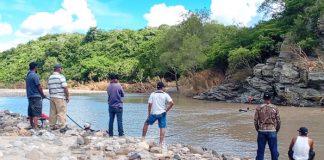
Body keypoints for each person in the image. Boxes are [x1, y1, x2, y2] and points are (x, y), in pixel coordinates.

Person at [254, 92, 281, 160]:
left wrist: (258, 129)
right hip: (272, 130)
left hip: (261, 130)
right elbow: (279, 121)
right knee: (274, 150)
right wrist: (276, 130)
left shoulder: (259, 108)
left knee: (260, 150)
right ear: (270, 98)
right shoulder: (275, 108)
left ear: (263, 98)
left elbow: (255, 121)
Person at [48, 64, 69, 130]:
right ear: (59, 69)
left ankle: (51, 126)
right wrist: (67, 96)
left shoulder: (50, 77)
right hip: (60, 97)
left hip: (52, 97)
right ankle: (62, 126)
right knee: (61, 112)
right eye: (61, 68)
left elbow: (50, 89)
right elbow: (65, 87)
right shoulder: (61, 77)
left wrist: (51, 95)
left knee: (52, 112)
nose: (62, 70)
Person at [25, 62, 46, 129]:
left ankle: (32, 125)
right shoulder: (35, 75)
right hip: (36, 96)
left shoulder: (28, 76)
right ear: (35, 67)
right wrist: (43, 95)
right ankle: (35, 127)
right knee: (36, 112)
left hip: (30, 96)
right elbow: (38, 86)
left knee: (31, 112)